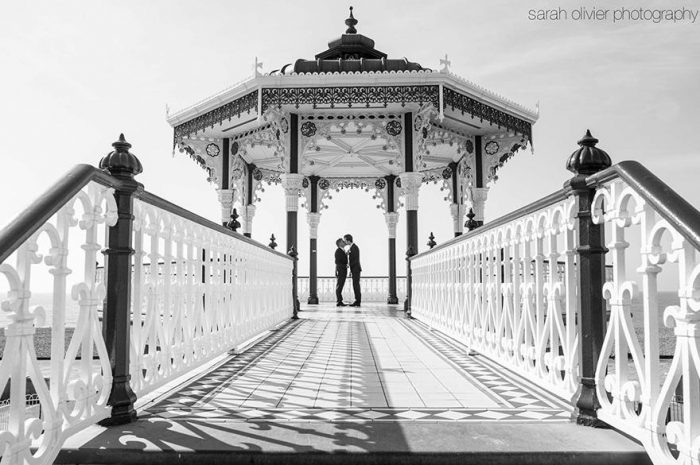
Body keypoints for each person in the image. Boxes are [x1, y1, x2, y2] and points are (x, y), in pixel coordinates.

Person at [344, 234, 361, 307]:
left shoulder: (354, 248)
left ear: (348, 240)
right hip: (354, 269)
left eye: (345, 240)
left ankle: (357, 301)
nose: (344, 242)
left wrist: (351, 270)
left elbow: (355, 260)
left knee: (356, 285)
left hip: (356, 269)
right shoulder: (352, 247)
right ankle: (357, 301)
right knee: (355, 285)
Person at [334, 237, 348, 306]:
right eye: (343, 241)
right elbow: (337, 262)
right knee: (339, 286)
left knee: (340, 285)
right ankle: (339, 301)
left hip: (342, 270)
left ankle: (339, 301)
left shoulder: (342, 250)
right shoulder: (338, 251)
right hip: (341, 270)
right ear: (340, 243)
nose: (344, 242)